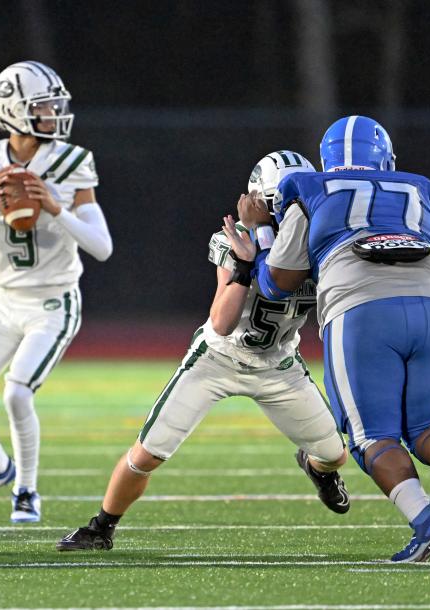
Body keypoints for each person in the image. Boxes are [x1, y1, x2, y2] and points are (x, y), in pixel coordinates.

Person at [221, 115, 430, 563]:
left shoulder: (309, 190)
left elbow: (276, 284)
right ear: (384, 158)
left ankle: (428, 524)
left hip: (362, 312)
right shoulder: (417, 189)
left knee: (370, 437)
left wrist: (259, 240)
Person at [57, 151, 349, 551]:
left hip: (279, 364)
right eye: (288, 204)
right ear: (260, 203)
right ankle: (101, 526)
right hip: (219, 358)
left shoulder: (324, 246)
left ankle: (317, 470)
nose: (298, 213)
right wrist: (246, 266)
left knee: (334, 455)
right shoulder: (232, 240)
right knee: (147, 454)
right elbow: (222, 322)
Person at [0, 61, 112, 522]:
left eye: (55, 105)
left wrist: (54, 208)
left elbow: (102, 247)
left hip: (54, 301)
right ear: (13, 111)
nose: (55, 114)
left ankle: (27, 491)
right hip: (3, 302)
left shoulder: (73, 161)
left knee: (17, 393)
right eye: (44, 106)